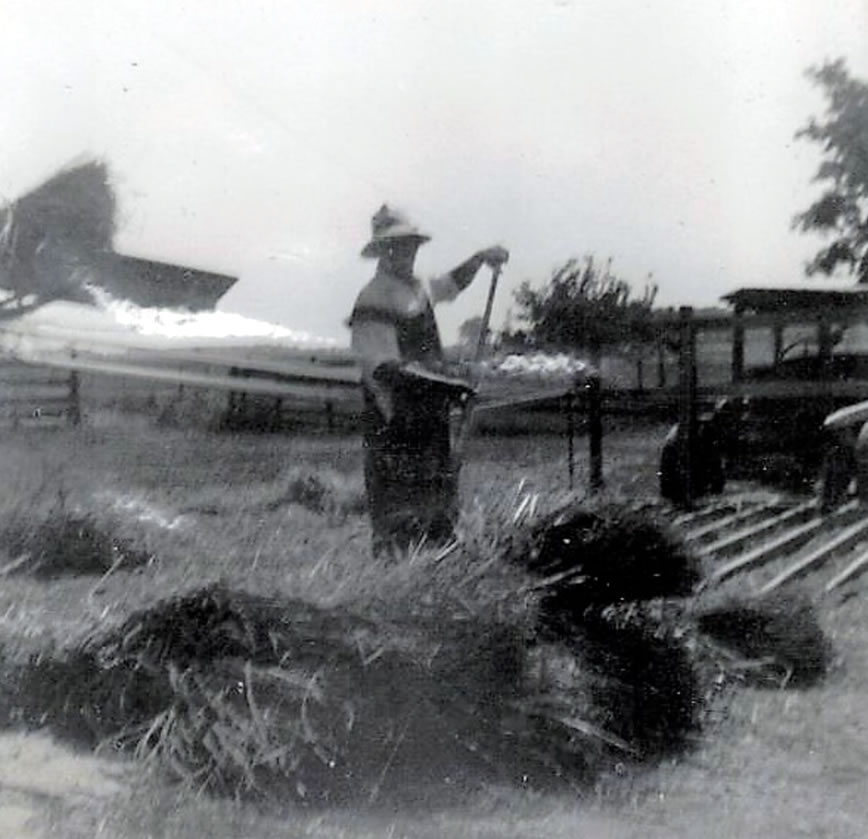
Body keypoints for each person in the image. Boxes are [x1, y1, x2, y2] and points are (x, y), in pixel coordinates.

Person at [348, 204, 508, 556]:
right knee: (400, 513)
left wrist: (480, 259)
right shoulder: (373, 298)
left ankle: (440, 563)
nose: (406, 253)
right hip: (393, 419)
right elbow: (385, 369)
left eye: (410, 245)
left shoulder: (416, 288)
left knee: (438, 501)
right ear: (381, 251)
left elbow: (451, 285)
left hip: (426, 414)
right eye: (397, 246)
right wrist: (450, 388)